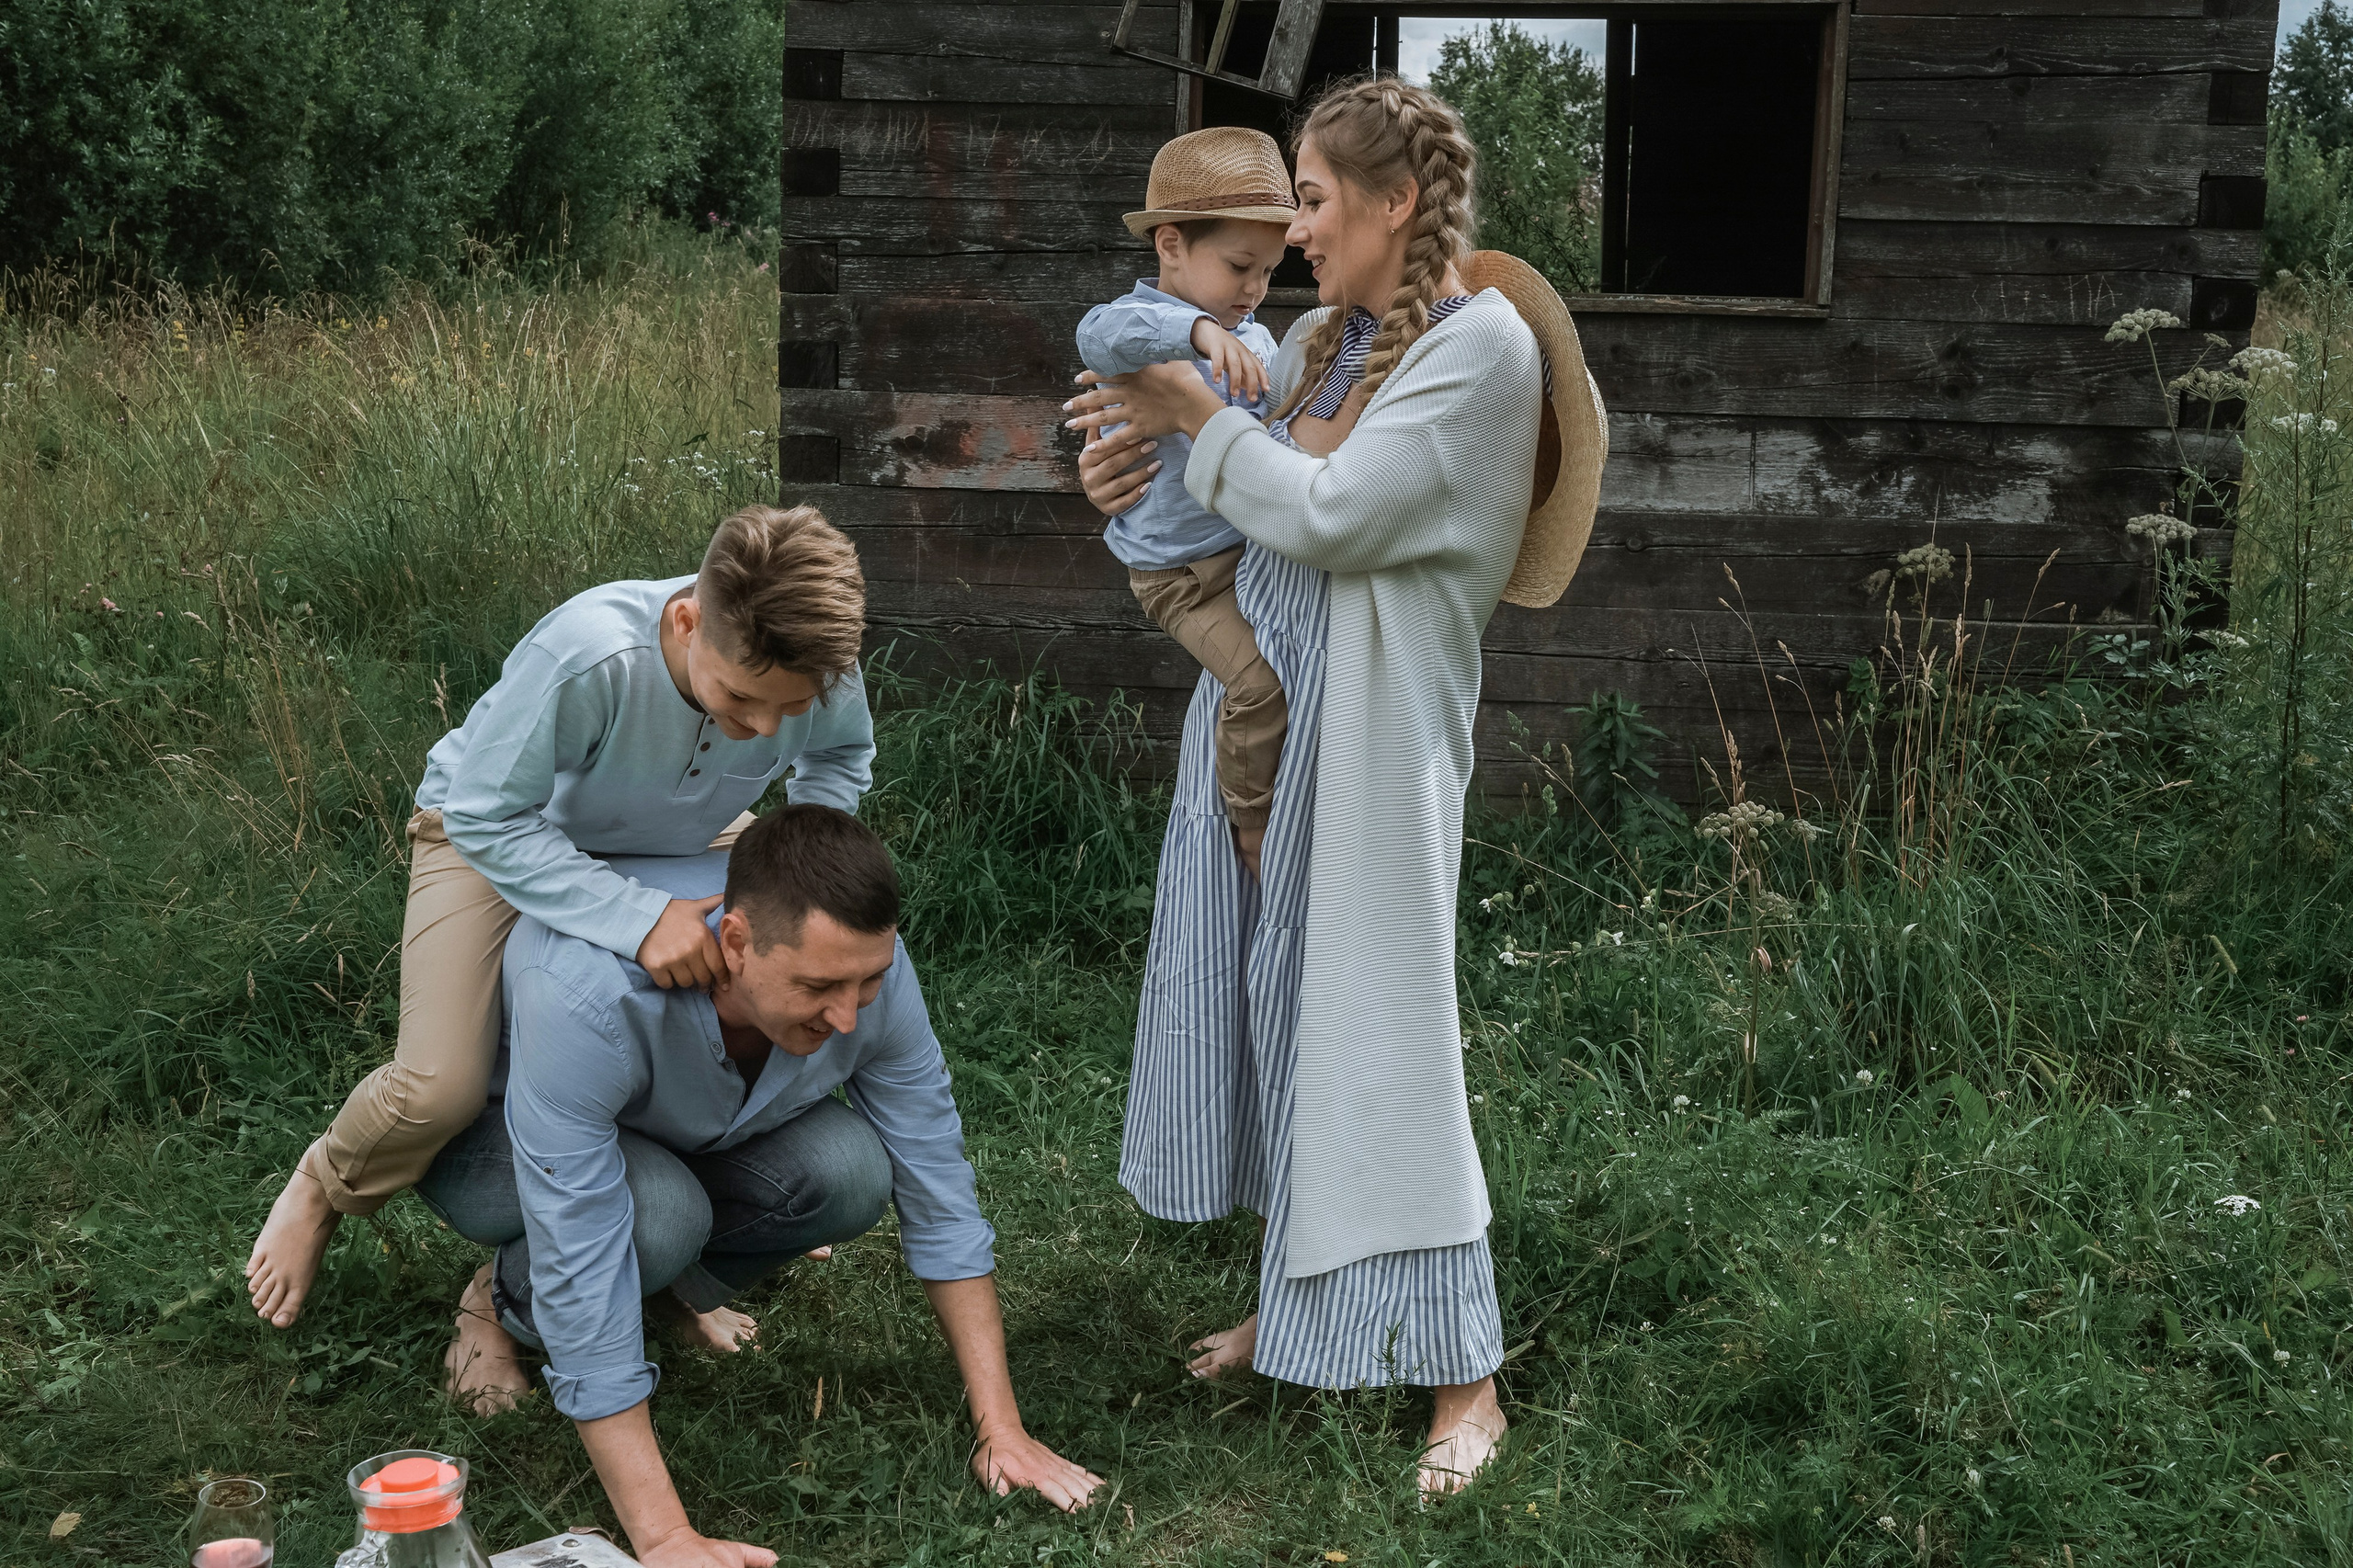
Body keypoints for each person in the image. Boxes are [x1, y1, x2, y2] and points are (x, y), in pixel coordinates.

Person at [1063, 75, 1606, 1497]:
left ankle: (1465, 1377)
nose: (1293, 231)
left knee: (1383, 1037)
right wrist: (1126, 464)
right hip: (1265, 706)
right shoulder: (1319, 338)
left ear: (1396, 201)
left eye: (1310, 198)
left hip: (1371, 727)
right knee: (1279, 1002)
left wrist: (1186, 404)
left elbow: (1330, 512)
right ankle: (1306, 1307)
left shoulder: (1481, 350)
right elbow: (1215, 486)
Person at [416, 804, 1105, 1567]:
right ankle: (497, 1303)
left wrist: (1000, 1429)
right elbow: (581, 1245)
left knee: (848, 1172)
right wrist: (666, 1538)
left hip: (674, 1130)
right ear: (736, 943)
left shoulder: (867, 965)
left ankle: (663, 1283)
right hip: (495, 1142)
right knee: (654, 1218)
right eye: (819, 986)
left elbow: (936, 1180)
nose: (848, 1017)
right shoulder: (587, 991)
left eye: (868, 981)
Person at [244, 505, 877, 1330]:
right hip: (500, 834)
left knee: (763, 973)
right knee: (441, 1085)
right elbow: (483, 813)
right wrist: (637, 918)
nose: (762, 730)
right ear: (688, 622)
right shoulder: (590, 655)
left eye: (786, 710)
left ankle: (688, 1246)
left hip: (682, 832)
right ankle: (327, 1180)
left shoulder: (817, 670)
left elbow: (839, 754)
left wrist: (796, 866)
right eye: (741, 697)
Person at [1075, 126, 1291, 877]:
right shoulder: (1146, 331)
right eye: (1239, 266)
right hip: (1181, 578)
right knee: (1259, 684)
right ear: (1170, 245)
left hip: (1249, 557)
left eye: (1268, 270)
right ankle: (1252, 826)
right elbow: (1097, 334)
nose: (1255, 290)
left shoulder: (1258, 341)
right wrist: (1197, 332)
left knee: (1294, 674)